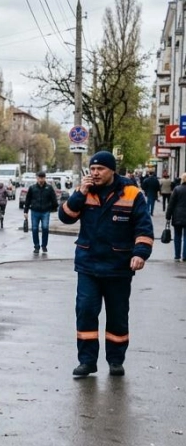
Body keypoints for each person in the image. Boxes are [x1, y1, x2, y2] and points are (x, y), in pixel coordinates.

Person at [57, 151, 153, 378]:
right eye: (92, 169)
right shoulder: (85, 191)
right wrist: (79, 194)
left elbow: (143, 227)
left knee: (117, 315)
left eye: (100, 169)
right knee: (86, 311)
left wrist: (140, 253)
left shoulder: (131, 193)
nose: (95, 173)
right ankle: (87, 361)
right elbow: (65, 217)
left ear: (112, 170)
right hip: (88, 265)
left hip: (118, 266)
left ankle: (116, 360)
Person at [23, 171, 58, 254]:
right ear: (37, 178)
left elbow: (54, 199)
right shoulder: (32, 188)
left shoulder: (49, 188)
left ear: (45, 178)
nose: (41, 180)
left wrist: (53, 208)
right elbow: (27, 200)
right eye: (39, 178)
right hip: (35, 211)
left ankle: (44, 245)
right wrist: (26, 211)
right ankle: (36, 246)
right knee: (34, 229)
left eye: (42, 178)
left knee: (45, 228)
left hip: (45, 211)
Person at [167, 172, 186, 262]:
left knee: (177, 236)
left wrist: (168, 216)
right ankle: (185, 256)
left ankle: (177, 256)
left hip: (177, 215)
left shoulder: (177, 189)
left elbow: (171, 204)